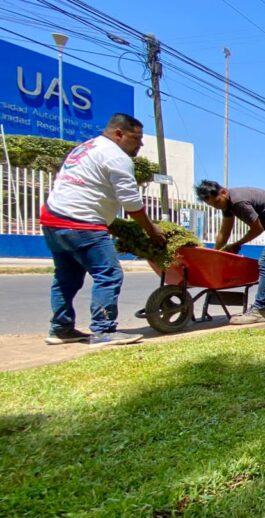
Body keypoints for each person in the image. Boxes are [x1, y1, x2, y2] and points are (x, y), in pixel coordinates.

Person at [40, 113, 166, 347]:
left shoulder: (86, 147)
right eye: (136, 138)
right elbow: (131, 202)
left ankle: (61, 329)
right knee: (109, 274)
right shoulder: (116, 156)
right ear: (119, 134)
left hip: (53, 219)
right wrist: (152, 230)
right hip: (81, 221)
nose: (140, 144)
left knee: (66, 278)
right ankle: (103, 330)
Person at [196, 180, 265, 324]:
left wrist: (237, 244)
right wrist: (215, 254)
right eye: (213, 205)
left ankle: (259, 310)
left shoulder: (238, 202)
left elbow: (257, 228)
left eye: (217, 202)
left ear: (223, 192)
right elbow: (224, 231)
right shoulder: (227, 203)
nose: (217, 206)